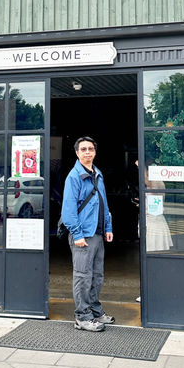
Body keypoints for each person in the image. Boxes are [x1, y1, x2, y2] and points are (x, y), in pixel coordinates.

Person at [61, 136, 114, 332]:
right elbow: (68, 212)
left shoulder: (97, 173)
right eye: (83, 149)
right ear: (77, 153)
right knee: (83, 277)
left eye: (90, 149)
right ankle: (82, 317)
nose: (87, 152)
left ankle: (95, 311)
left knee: (97, 276)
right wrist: (77, 234)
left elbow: (104, 203)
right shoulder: (74, 177)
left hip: (98, 233)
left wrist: (108, 227)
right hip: (83, 235)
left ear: (95, 152)